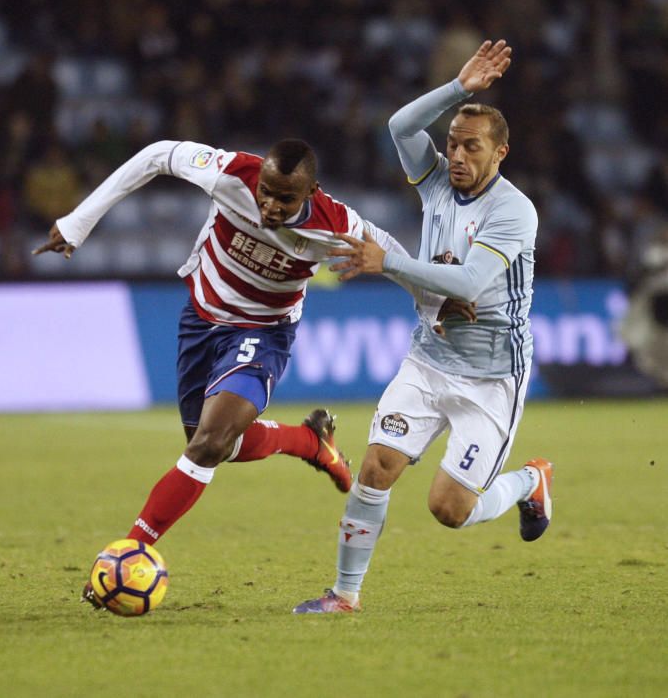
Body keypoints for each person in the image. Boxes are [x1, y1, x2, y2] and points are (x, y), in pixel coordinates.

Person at [32, 136, 472, 605]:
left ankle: (130, 552)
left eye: (285, 198)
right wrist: (78, 222)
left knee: (208, 445)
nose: (270, 205)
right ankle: (309, 442)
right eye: (266, 191)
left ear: (311, 192)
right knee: (212, 444)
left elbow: (391, 258)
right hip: (201, 319)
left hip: (262, 333)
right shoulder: (229, 174)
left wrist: (437, 304)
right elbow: (156, 154)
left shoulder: (336, 224)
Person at [293, 40, 553, 614]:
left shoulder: (514, 211)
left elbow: (469, 286)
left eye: (472, 147)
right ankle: (344, 595)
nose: (457, 156)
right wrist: (460, 89)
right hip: (428, 359)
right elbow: (399, 124)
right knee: (376, 465)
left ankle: (528, 483)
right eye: (453, 143)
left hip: (491, 378)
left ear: (500, 153)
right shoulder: (436, 182)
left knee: (449, 509)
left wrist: (385, 262)